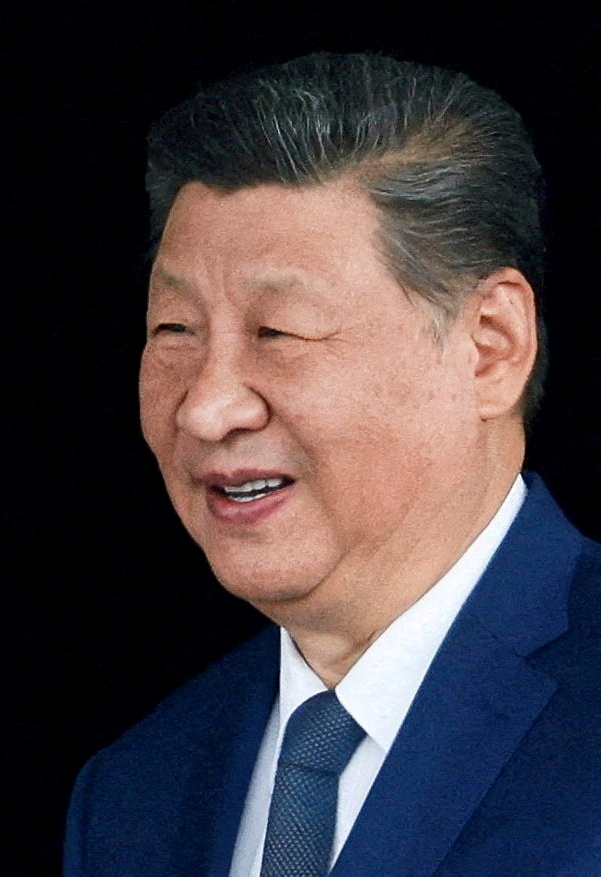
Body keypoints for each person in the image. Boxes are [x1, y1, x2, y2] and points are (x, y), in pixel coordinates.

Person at [65, 52, 599, 875]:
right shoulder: (138, 789)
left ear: (490, 347)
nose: (207, 407)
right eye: (175, 329)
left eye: (278, 332)